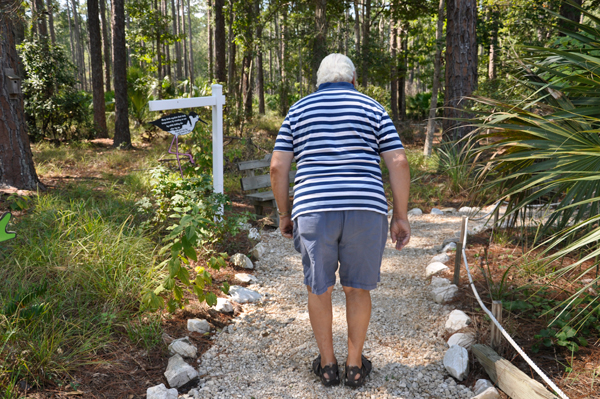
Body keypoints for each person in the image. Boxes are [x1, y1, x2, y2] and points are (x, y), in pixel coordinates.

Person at [270, 53, 411, 388]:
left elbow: (278, 166)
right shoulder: (372, 108)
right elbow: (399, 161)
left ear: (319, 81)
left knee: (319, 288)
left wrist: (285, 213)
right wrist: (400, 215)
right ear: (353, 80)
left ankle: (328, 365)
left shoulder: (299, 110)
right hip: (366, 207)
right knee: (357, 287)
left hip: (314, 208)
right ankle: (355, 366)